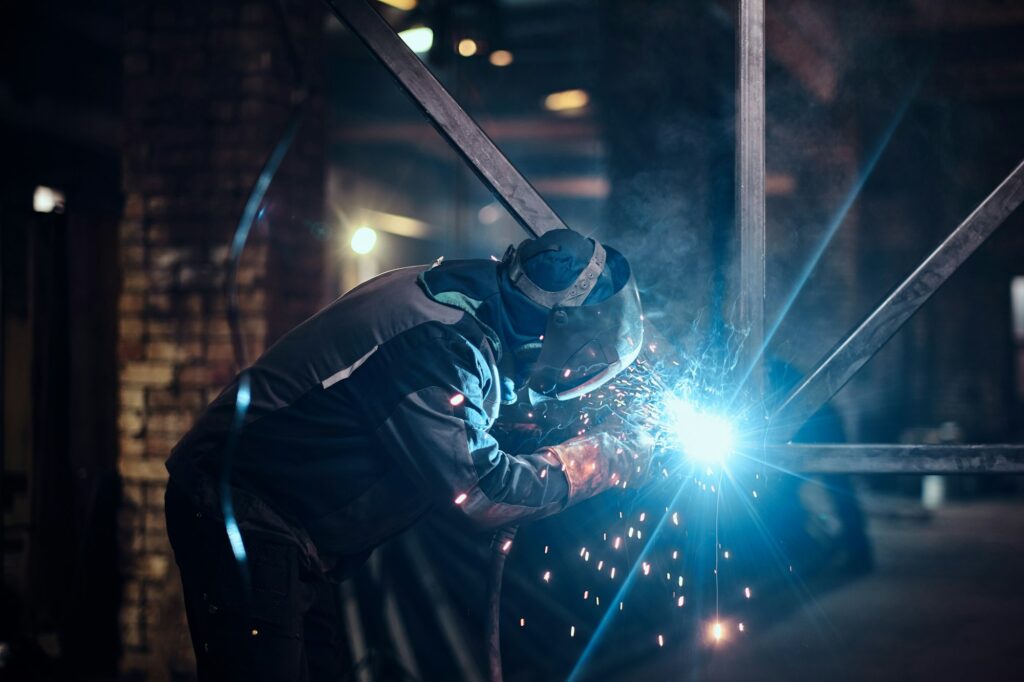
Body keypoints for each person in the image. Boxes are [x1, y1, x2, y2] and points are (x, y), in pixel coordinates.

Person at [165, 229, 652, 681]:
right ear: (559, 326)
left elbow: (466, 411)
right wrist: (598, 460)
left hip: (286, 526)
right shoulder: (436, 343)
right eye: (589, 355)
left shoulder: (473, 302)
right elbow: (480, 492)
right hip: (237, 509)